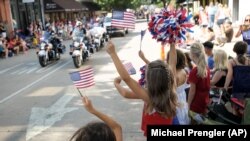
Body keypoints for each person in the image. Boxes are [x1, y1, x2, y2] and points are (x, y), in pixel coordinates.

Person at [107, 41, 177, 136]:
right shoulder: (171, 89)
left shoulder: (150, 97)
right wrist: (172, 43)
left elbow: (127, 80)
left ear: (151, 81)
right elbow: (173, 63)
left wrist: (113, 54)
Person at [188, 42, 210, 115]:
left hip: (196, 102)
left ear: (193, 54)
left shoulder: (195, 71)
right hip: (204, 100)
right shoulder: (206, 68)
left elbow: (192, 92)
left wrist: (188, 105)